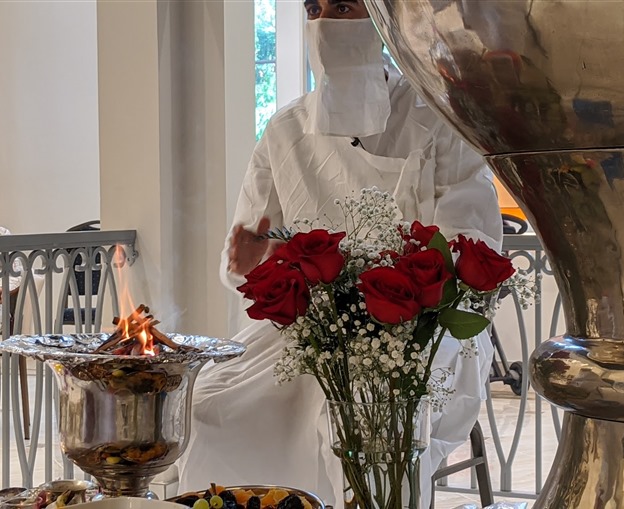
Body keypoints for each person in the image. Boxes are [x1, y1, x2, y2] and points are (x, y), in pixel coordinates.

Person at [177, 1, 503, 507]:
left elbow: (472, 243)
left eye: (344, 6)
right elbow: (250, 252)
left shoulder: (438, 119)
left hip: (419, 328)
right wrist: (249, 263)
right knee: (208, 404)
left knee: (364, 406)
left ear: (381, 19)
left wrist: (398, 285)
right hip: (307, 330)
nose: (324, 21)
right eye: (314, 7)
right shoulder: (284, 131)